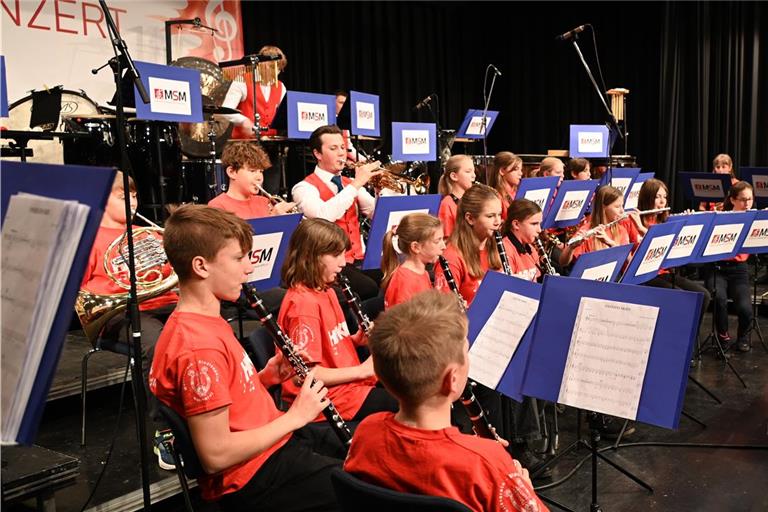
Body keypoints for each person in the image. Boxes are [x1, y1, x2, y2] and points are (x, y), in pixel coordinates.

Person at [149, 205, 341, 512]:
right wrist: (295, 416)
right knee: (365, 487)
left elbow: (229, 403)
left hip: (272, 442)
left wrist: (266, 377)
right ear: (201, 266)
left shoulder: (207, 321)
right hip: (254, 476)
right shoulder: (197, 347)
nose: (249, 268)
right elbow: (216, 456)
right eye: (239, 258)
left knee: (368, 451)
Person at [344, 290, 548, 512]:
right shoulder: (485, 463)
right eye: (466, 352)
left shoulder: (366, 433)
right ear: (452, 379)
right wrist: (523, 490)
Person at [80, 171, 178, 469]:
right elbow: (76, 290)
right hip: (117, 313)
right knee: (157, 343)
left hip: (163, 302)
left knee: (207, 327)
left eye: (134, 196)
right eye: (124, 197)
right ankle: (165, 431)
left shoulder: (148, 234)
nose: (133, 202)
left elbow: (168, 273)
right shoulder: (87, 238)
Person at [278, 218, 398, 424]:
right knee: (408, 405)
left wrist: (354, 341)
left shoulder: (327, 291)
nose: (343, 262)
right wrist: (361, 371)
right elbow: (306, 374)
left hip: (349, 388)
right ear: (310, 257)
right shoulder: (303, 306)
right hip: (329, 399)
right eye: (336, 255)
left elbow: (326, 346)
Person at [291, 125, 382, 300]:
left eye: (342, 147)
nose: (341, 153)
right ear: (317, 154)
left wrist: (379, 191)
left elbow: (377, 214)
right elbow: (323, 217)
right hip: (329, 264)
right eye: (333, 148)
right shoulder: (303, 188)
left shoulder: (349, 183)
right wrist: (357, 184)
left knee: (392, 275)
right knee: (369, 289)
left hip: (360, 257)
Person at [632, 178, 711, 337]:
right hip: (643, 275)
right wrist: (640, 227)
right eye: (657, 197)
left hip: (663, 272)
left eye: (664, 197)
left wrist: (689, 223)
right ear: (647, 198)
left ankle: (690, 340)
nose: (662, 202)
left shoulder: (665, 221)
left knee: (704, 296)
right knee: (682, 300)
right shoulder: (633, 221)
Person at [704, 181, 755, 352]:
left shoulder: (754, 219)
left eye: (750, 199)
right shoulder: (720, 217)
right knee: (719, 300)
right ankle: (723, 336)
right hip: (717, 267)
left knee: (745, 308)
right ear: (733, 200)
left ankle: (743, 337)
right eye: (743, 200)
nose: (747, 204)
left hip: (739, 269)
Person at [435, 183, 503, 307]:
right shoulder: (451, 258)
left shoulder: (496, 247)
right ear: (470, 218)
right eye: (490, 216)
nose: (497, 222)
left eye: (499, 214)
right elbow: (443, 310)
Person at [208, 140, 296, 218]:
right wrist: (273, 218)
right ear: (232, 172)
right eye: (252, 171)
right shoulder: (217, 206)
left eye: (261, 171)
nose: (259, 177)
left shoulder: (265, 202)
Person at [559, 186, 642, 267]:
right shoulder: (587, 230)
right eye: (617, 207)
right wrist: (571, 248)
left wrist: (611, 243)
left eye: (622, 206)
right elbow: (563, 262)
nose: (622, 211)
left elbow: (630, 262)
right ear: (603, 207)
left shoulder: (621, 230)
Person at [380, 213, 446, 309]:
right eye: (437, 241)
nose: (444, 246)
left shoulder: (423, 273)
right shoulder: (404, 282)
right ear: (415, 247)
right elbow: (404, 318)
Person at [500, 199, 543, 282]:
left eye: (539, 224)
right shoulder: (505, 251)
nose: (539, 230)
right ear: (516, 224)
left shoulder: (531, 249)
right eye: (534, 224)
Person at [437, 154, 477, 238]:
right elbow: (447, 238)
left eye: (474, 171)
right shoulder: (447, 203)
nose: (474, 176)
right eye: (468, 171)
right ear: (454, 176)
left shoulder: (473, 199)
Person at [487, 151, 523, 219]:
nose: (520, 173)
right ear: (502, 171)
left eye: (521, 170)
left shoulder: (518, 192)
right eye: (516, 169)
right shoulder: (495, 197)